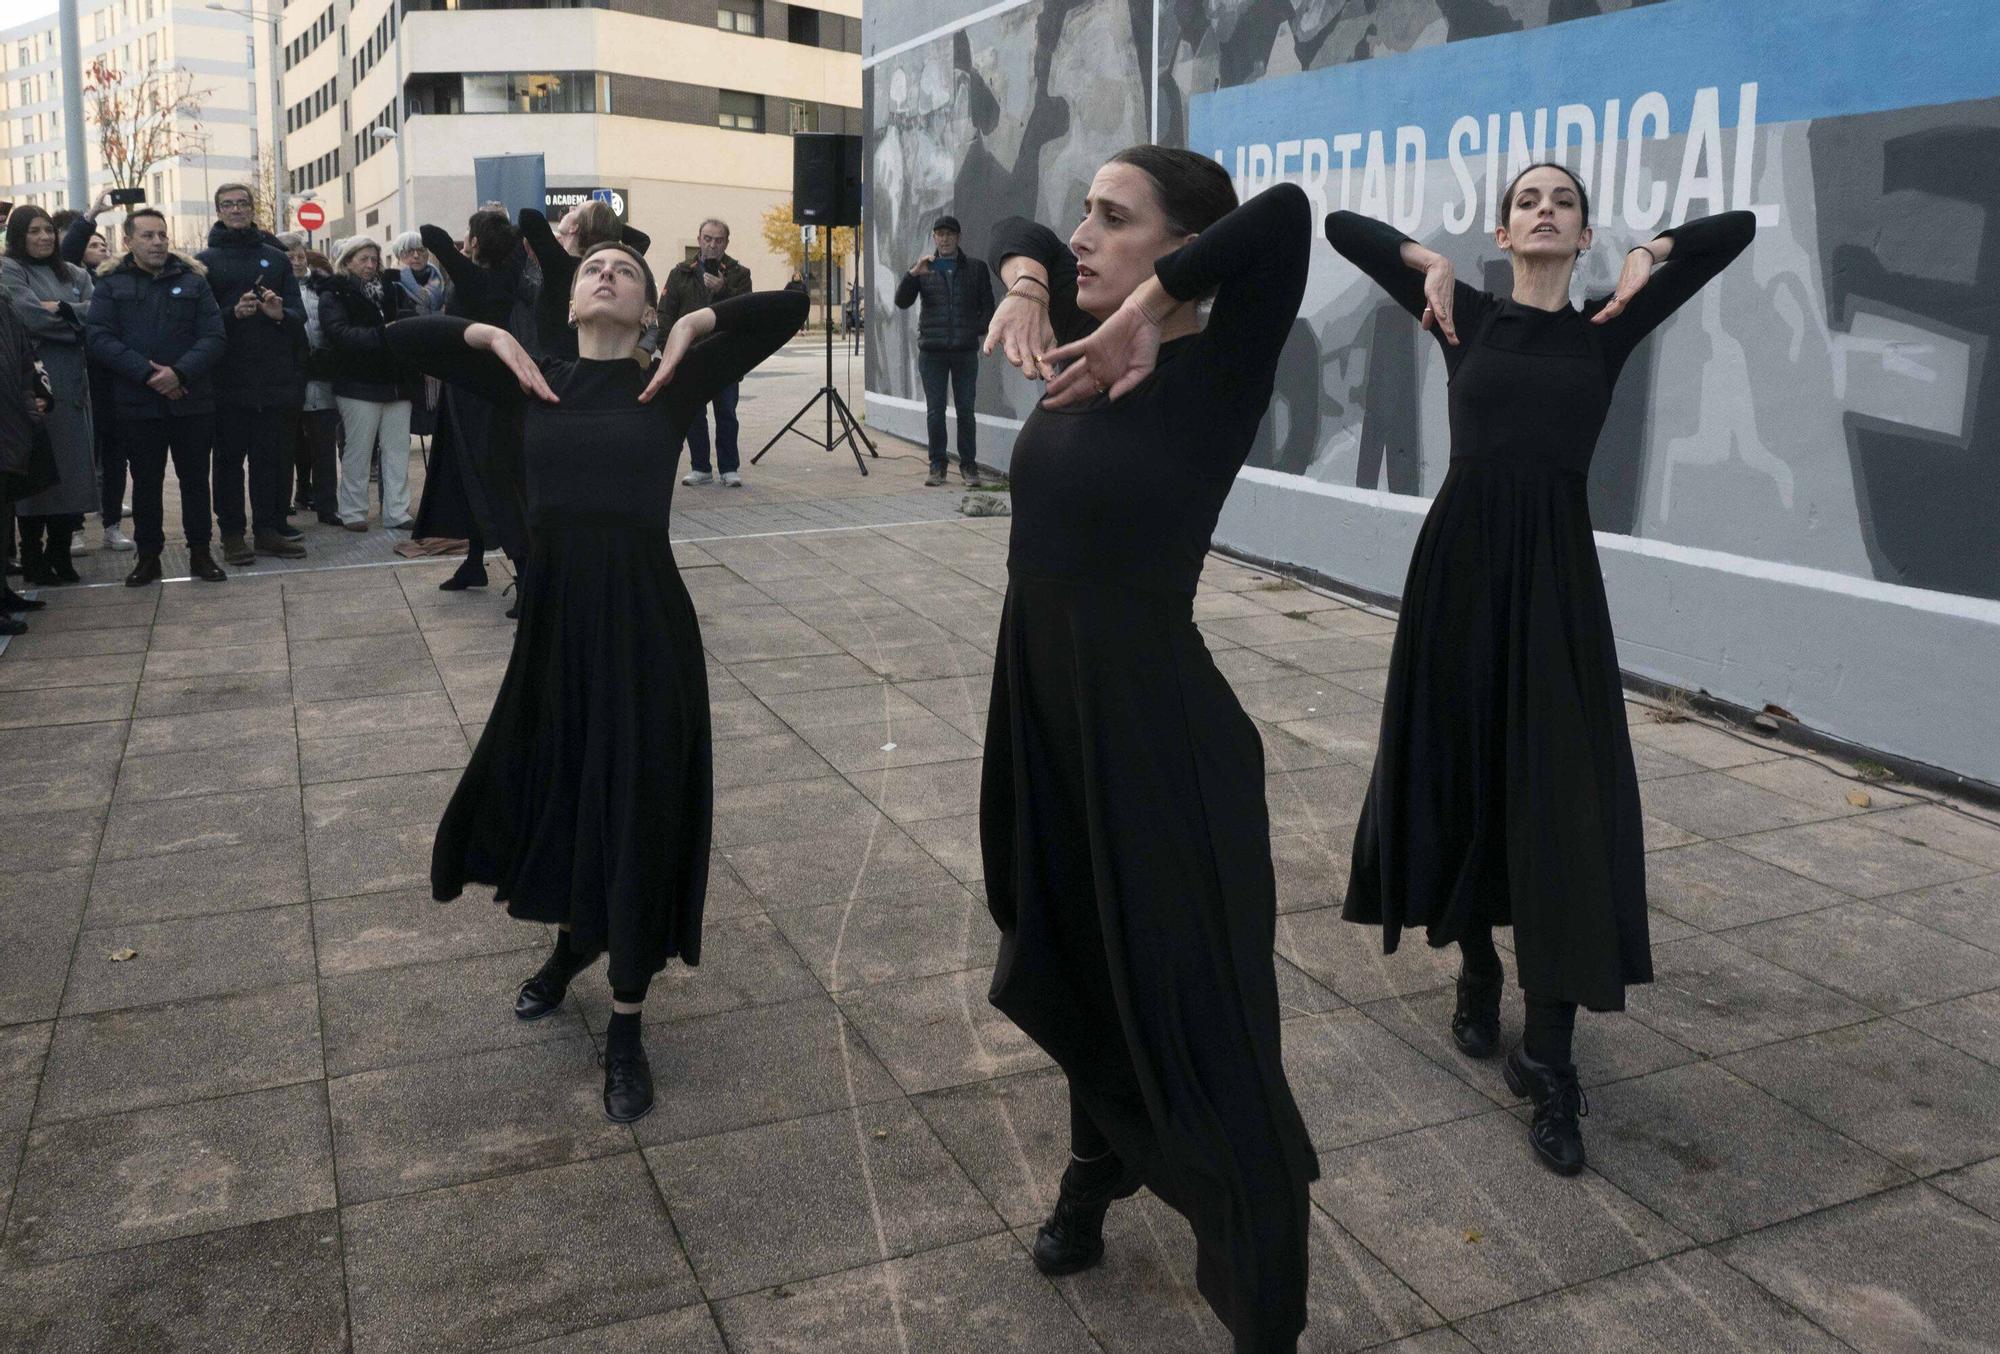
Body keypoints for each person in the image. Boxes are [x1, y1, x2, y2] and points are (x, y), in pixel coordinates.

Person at [1327, 165, 1755, 1176]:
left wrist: (1650, 252)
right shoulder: (1463, 316)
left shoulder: (1606, 325)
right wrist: (1426, 262)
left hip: (1555, 583)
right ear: (1503, 231)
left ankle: (1549, 1057)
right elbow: (1341, 226)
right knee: (1461, 773)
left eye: (1563, 201)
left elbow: (1733, 229)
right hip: (1458, 575)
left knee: (1563, 802)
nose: (1545, 210)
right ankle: (1477, 966)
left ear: (1583, 233)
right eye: (1528, 200)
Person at [979, 151, 1316, 1352]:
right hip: (1043, 717)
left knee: (1199, 1017)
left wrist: (1144, 310)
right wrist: (1026, 284)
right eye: (1085, 212)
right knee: (1073, 962)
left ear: (1177, 251)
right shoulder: (1071, 338)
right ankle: (1095, 1167)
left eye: (1111, 218)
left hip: (1154, 738)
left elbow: (1283, 219)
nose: (1079, 233)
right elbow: (1012, 228)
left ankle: (1263, 1310)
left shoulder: (1216, 367)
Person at [378, 243, 808, 1122]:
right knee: (563, 790)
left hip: (646, 625)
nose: (606, 273)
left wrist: (694, 323)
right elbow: (395, 336)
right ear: (571, 302)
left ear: (647, 307)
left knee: (636, 803)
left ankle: (626, 1024)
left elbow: (790, 308)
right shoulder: (534, 381)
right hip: (555, 627)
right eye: (592, 268)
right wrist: (491, 337)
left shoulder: (670, 381)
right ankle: (573, 944)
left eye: (626, 270)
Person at [85, 207, 228, 586]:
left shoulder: (194, 281)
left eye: (162, 234)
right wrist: (150, 375)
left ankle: (201, 552)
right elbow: (99, 338)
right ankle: (148, 557)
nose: (158, 242)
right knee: (146, 483)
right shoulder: (111, 284)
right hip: (138, 403)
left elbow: (214, 336)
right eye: (148, 236)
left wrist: (179, 373)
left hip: (191, 399)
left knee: (195, 481)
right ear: (128, 241)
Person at [412, 210, 531, 598]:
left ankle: (525, 573)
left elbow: (430, 231)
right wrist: (502, 232)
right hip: (483, 387)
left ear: (477, 242)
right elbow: (527, 223)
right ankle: (474, 561)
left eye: (470, 236)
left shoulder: (472, 276)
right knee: (468, 475)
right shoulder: (509, 272)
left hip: (472, 394)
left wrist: (464, 247)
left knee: (489, 476)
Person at [199, 183, 308, 564]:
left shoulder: (275, 259)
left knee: (270, 460)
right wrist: (232, 314)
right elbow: (196, 323)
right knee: (228, 462)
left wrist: (280, 314)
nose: (236, 210)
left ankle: (267, 530)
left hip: (273, 378)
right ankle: (232, 534)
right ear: (218, 211)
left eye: (242, 203)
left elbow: (298, 313)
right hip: (227, 380)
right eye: (228, 204)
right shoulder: (203, 262)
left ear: (251, 208)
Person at [2, 205, 95, 586]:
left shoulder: (74, 272)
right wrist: (75, 319)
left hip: (72, 386)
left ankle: (60, 551)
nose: (43, 237)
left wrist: (62, 309)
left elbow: (98, 315)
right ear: (18, 236)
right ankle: (33, 555)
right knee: (37, 472)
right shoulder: (9, 269)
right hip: (32, 386)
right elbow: (27, 315)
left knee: (70, 475)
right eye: (33, 231)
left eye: (48, 230)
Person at [319, 236, 418, 532]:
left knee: (397, 450)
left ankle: (397, 511)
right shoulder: (335, 292)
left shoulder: (392, 290)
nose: (370, 265)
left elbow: (409, 322)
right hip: (357, 382)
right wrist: (383, 334)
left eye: (374, 259)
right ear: (348, 261)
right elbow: (339, 334)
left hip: (396, 381)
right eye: (363, 259)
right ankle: (353, 512)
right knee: (358, 451)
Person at [896, 214, 995, 487]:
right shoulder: (924, 269)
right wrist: (912, 275)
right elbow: (902, 301)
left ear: (958, 237)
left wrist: (973, 330)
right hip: (932, 352)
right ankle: (937, 466)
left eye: (950, 233)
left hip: (964, 352)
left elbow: (988, 307)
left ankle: (969, 467)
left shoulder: (976, 268)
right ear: (934, 238)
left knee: (966, 412)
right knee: (935, 411)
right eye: (940, 234)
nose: (945, 239)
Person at [56, 200, 129, 554]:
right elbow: (67, 254)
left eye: (104, 244)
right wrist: (90, 217)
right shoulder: (67, 276)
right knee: (79, 455)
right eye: (92, 243)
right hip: (75, 379)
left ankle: (112, 524)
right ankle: (75, 528)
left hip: (109, 379)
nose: (101, 249)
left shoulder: (113, 278)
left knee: (114, 456)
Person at [659, 218, 750, 487]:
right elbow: (666, 314)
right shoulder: (681, 273)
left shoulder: (739, 274)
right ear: (699, 240)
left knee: (727, 414)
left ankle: (729, 468)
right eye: (707, 239)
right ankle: (700, 467)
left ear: (726, 243)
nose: (712, 245)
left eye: (718, 240)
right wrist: (669, 351)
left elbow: (746, 313)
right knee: (694, 414)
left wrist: (723, 290)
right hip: (690, 356)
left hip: (725, 357)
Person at [518, 201, 651, 363]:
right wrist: (603, 225)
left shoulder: (560, 266)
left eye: (576, 209)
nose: (570, 208)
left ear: (574, 228)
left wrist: (599, 223)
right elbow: (642, 240)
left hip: (558, 369)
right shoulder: (605, 270)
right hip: (595, 366)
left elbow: (528, 216)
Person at [0, 294, 53, 627]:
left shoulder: (3, 303)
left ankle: (2, 591)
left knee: (4, 510)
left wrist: (33, 401)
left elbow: (24, 358)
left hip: (9, 423)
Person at [289, 242, 341, 526]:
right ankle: (288, 500)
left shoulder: (323, 288)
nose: (297, 261)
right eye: (290, 257)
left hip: (322, 375)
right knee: (290, 446)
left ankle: (327, 505)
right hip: (289, 379)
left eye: (300, 256)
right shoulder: (275, 287)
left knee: (324, 446)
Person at [391, 231, 447, 440]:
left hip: (437, 355)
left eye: (421, 251)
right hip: (408, 359)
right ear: (399, 255)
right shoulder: (393, 282)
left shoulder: (439, 280)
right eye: (409, 251)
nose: (416, 256)